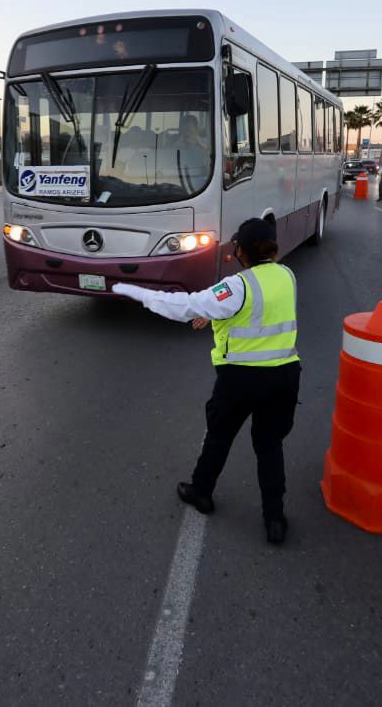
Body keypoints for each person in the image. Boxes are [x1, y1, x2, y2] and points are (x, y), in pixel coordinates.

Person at [112, 218, 301, 544]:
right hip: (285, 375)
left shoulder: (239, 285)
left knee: (219, 436)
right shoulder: (287, 276)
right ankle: (274, 518)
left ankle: (201, 492)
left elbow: (184, 306)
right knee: (270, 447)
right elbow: (259, 311)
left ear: (243, 249)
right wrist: (212, 313)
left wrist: (139, 293)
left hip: (241, 379)